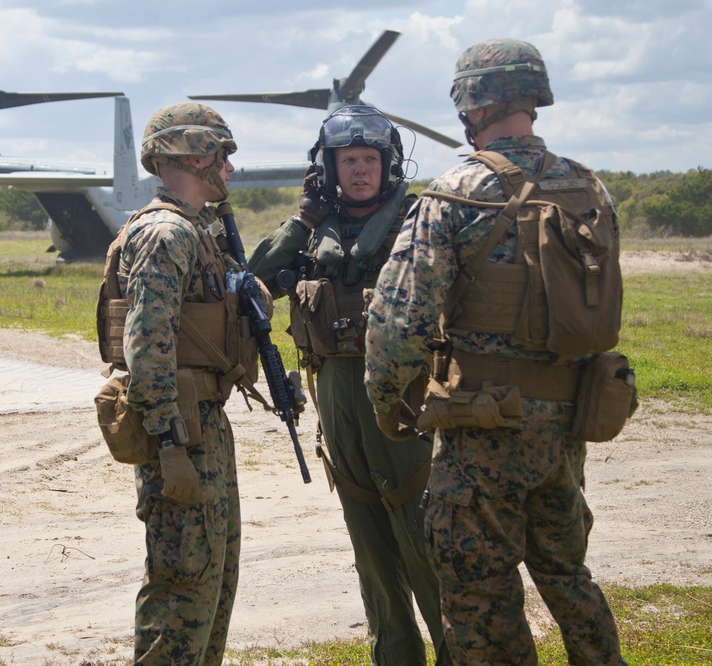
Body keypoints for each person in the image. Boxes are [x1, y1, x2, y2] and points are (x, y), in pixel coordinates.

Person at [363, 38, 627, 665]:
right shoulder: (589, 188)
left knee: (481, 594)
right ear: (534, 97)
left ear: (470, 103)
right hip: (567, 424)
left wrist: (387, 403)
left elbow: (398, 324)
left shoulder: (455, 192)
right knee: (568, 572)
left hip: (483, 428)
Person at [247, 105, 450, 666]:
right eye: (346, 160)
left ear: (387, 164)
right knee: (367, 533)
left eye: (368, 159)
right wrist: (301, 221)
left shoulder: (418, 220)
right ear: (328, 168)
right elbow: (253, 281)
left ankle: (457, 651)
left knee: (420, 531)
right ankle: (395, 653)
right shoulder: (314, 235)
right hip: (334, 393)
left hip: (403, 393)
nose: (359, 170)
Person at [96, 102, 263, 665]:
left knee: (214, 583)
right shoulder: (167, 234)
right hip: (181, 434)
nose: (231, 169)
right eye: (224, 154)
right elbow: (148, 344)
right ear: (196, 154)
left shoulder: (200, 230)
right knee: (182, 589)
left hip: (202, 426)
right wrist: (170, 446)